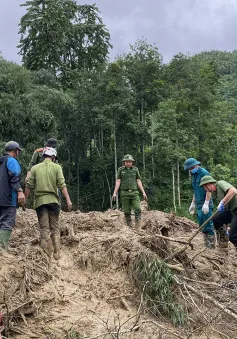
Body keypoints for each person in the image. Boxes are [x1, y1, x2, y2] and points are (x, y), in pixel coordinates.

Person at [25, 147, 72, 260]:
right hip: (54, 202)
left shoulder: (35, 168)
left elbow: (29, 185)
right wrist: (68, 200)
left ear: (43, 156)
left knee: (44, 228)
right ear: (53, 157)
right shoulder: (57, 167)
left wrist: (25, 199)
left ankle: (46, 256)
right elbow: (62, 185)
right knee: (55, 227)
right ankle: (57, 253)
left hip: (40, 203)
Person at [184, 157, 215, 248]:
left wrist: (206, 203)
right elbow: (195, 189)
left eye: (191, 168)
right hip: (198, 203)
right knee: (202, 226)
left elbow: (209, 189)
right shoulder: (194, 175)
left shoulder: (204, 173)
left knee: (208, 225)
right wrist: (193, 203)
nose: (190, 170)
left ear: (196, 165)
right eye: (189, 169)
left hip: (206, 203)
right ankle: (206, 246)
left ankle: (211, 247)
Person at [200, 175, 237, 250]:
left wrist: (222, 202)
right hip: (232, 211)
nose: (205, 189)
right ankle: (223, 241)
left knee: (233, 237)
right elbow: (226, 212)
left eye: (204, 187)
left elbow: (233, 191)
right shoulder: (217, 193)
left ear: (208, 184)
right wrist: (226, 229)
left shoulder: (220, 183)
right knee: (216, 218)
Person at [0, 141, 25, 250]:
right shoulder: (12, 161)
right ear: (15, 150)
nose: (18, 152)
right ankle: (2, 248)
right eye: (18, 150)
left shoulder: (1, 162)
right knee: (7, 222)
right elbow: (14, 178)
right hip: (9, 198)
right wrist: (20, 191)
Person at [112, 154, 147, 232]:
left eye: (130, 162)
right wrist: (115, 193)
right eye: (127, 162)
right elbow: (118, 181)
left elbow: (138, 181)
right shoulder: (121, 170)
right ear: (124, 162)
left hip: (134, 193)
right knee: (127, 211)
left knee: (137, 209)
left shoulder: (135, 170)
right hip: (124, 193)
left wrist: (143, 192)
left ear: (132, 162)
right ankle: (129, 228)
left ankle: (138, 228)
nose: (128, 163)